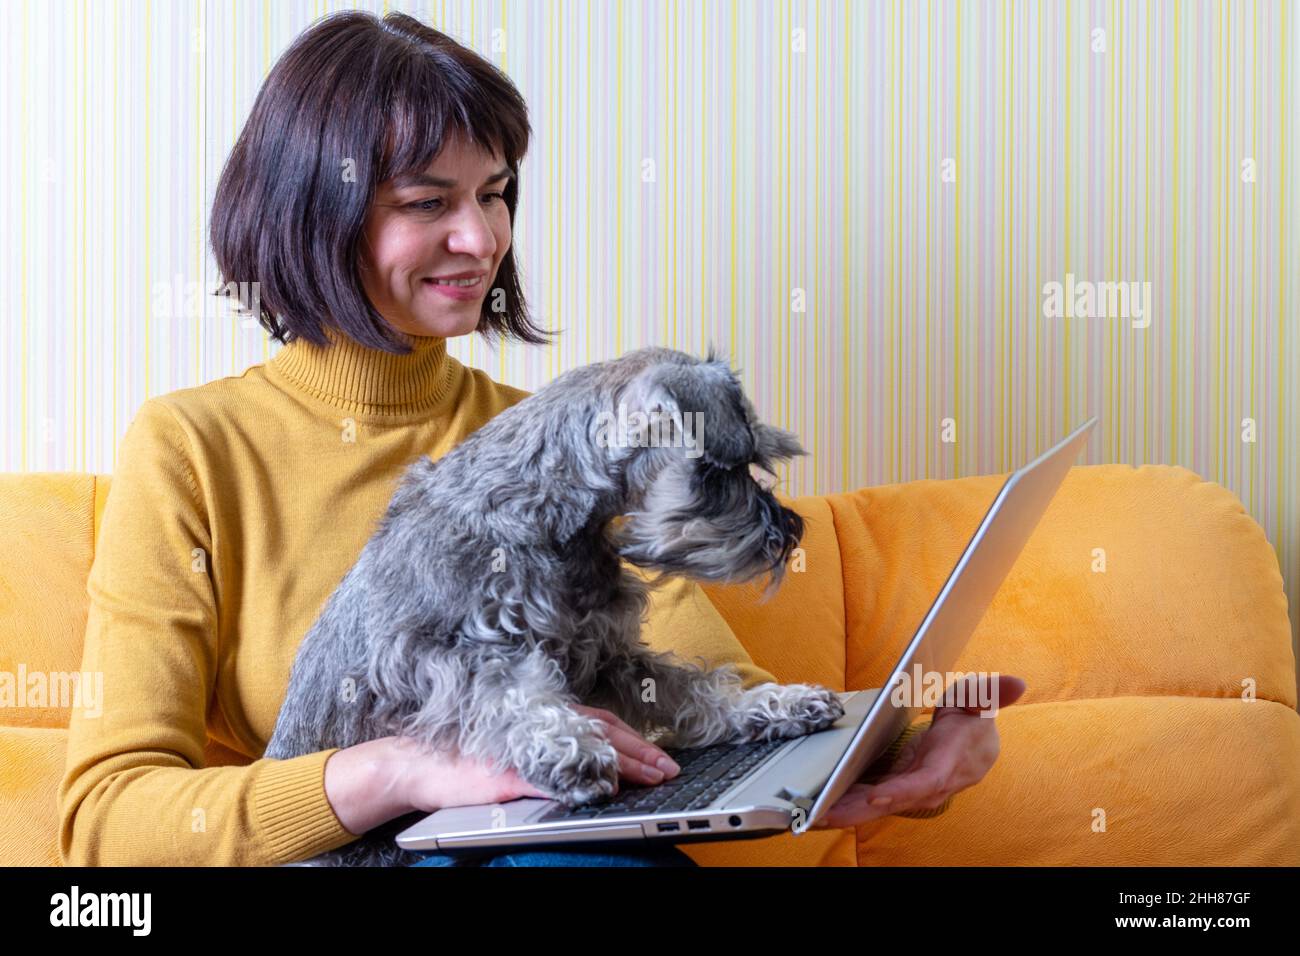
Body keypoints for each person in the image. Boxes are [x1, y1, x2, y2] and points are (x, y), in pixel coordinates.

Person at [57, 11, 1021, 869]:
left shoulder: (562, 444)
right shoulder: (191, 447)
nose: (484, 240)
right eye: (428, 201)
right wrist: (402, 769)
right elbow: (105, 825)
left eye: (497, 192)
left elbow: (698, 688)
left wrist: (891, 750)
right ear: (316, 207)